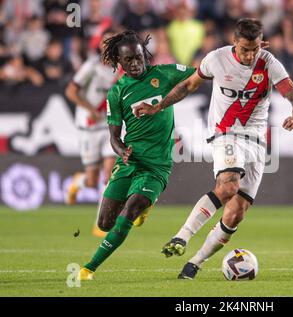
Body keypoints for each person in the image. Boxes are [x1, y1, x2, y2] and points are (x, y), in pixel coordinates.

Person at [133, 18, 293, 279]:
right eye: (245, 49)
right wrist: (159, 106)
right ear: (234, 42)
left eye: (255, 49)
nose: (250, 55)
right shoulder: (216, 59)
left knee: (236, 213)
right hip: (225, 134)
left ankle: (194, 264)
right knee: (228, 186)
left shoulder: (269, 63)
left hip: (257, 142)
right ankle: (182, 236)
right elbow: (187, 85)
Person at [77, 30, 196, 281]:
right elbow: (114, 136)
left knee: (129, 210)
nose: (135, 64)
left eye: (138, 57)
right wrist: (121, 150)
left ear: (145, 54)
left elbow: (200, 73)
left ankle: (89, 268)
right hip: (130, 160)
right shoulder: (117, 92)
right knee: (104, 224)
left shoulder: (164, 73)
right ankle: (145, 205)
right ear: (119, 63)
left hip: (156, 165)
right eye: (128, 60)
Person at [65, 30, 119, 238]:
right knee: (91, 181)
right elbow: (71, 91)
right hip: (87, 127)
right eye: (106, 41)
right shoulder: (90, 67)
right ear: (99, 44)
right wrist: (89, 109)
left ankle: (100, 222)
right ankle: (78, 181)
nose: (109, 45)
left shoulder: (119, 69)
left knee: (108, 175)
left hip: (107, 128)